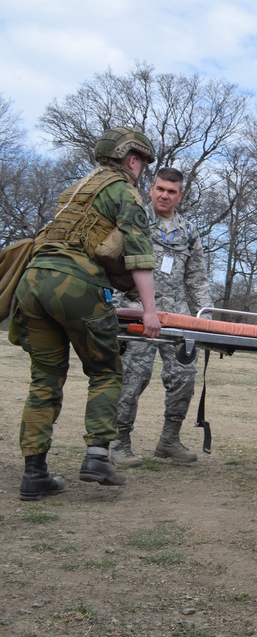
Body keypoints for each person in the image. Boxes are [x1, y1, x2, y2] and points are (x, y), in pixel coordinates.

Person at [12, 127, 161, 501]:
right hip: (75, 284)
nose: (141, 169)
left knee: (44, 379)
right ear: (132, 160)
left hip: (32, 281)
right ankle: (97, 456)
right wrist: (150, 311)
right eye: (141, 162)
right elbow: (140, 257)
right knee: (106, 370)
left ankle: (35, 473)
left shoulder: (75, 191)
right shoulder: (125, 191)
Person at [112, 167, 213, 466]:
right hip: (137, 312)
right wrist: (115, 309)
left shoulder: (189, 231)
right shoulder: (135, 221)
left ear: (180, 195)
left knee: (184, 376)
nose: (165, 196)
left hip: (176, 316)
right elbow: (116, 266)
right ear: (151, 189)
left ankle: (169, 440)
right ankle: (119, 442)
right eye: (160, 189)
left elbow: (197, 278)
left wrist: (206, 318)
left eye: (171, 191)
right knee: (133, 377)